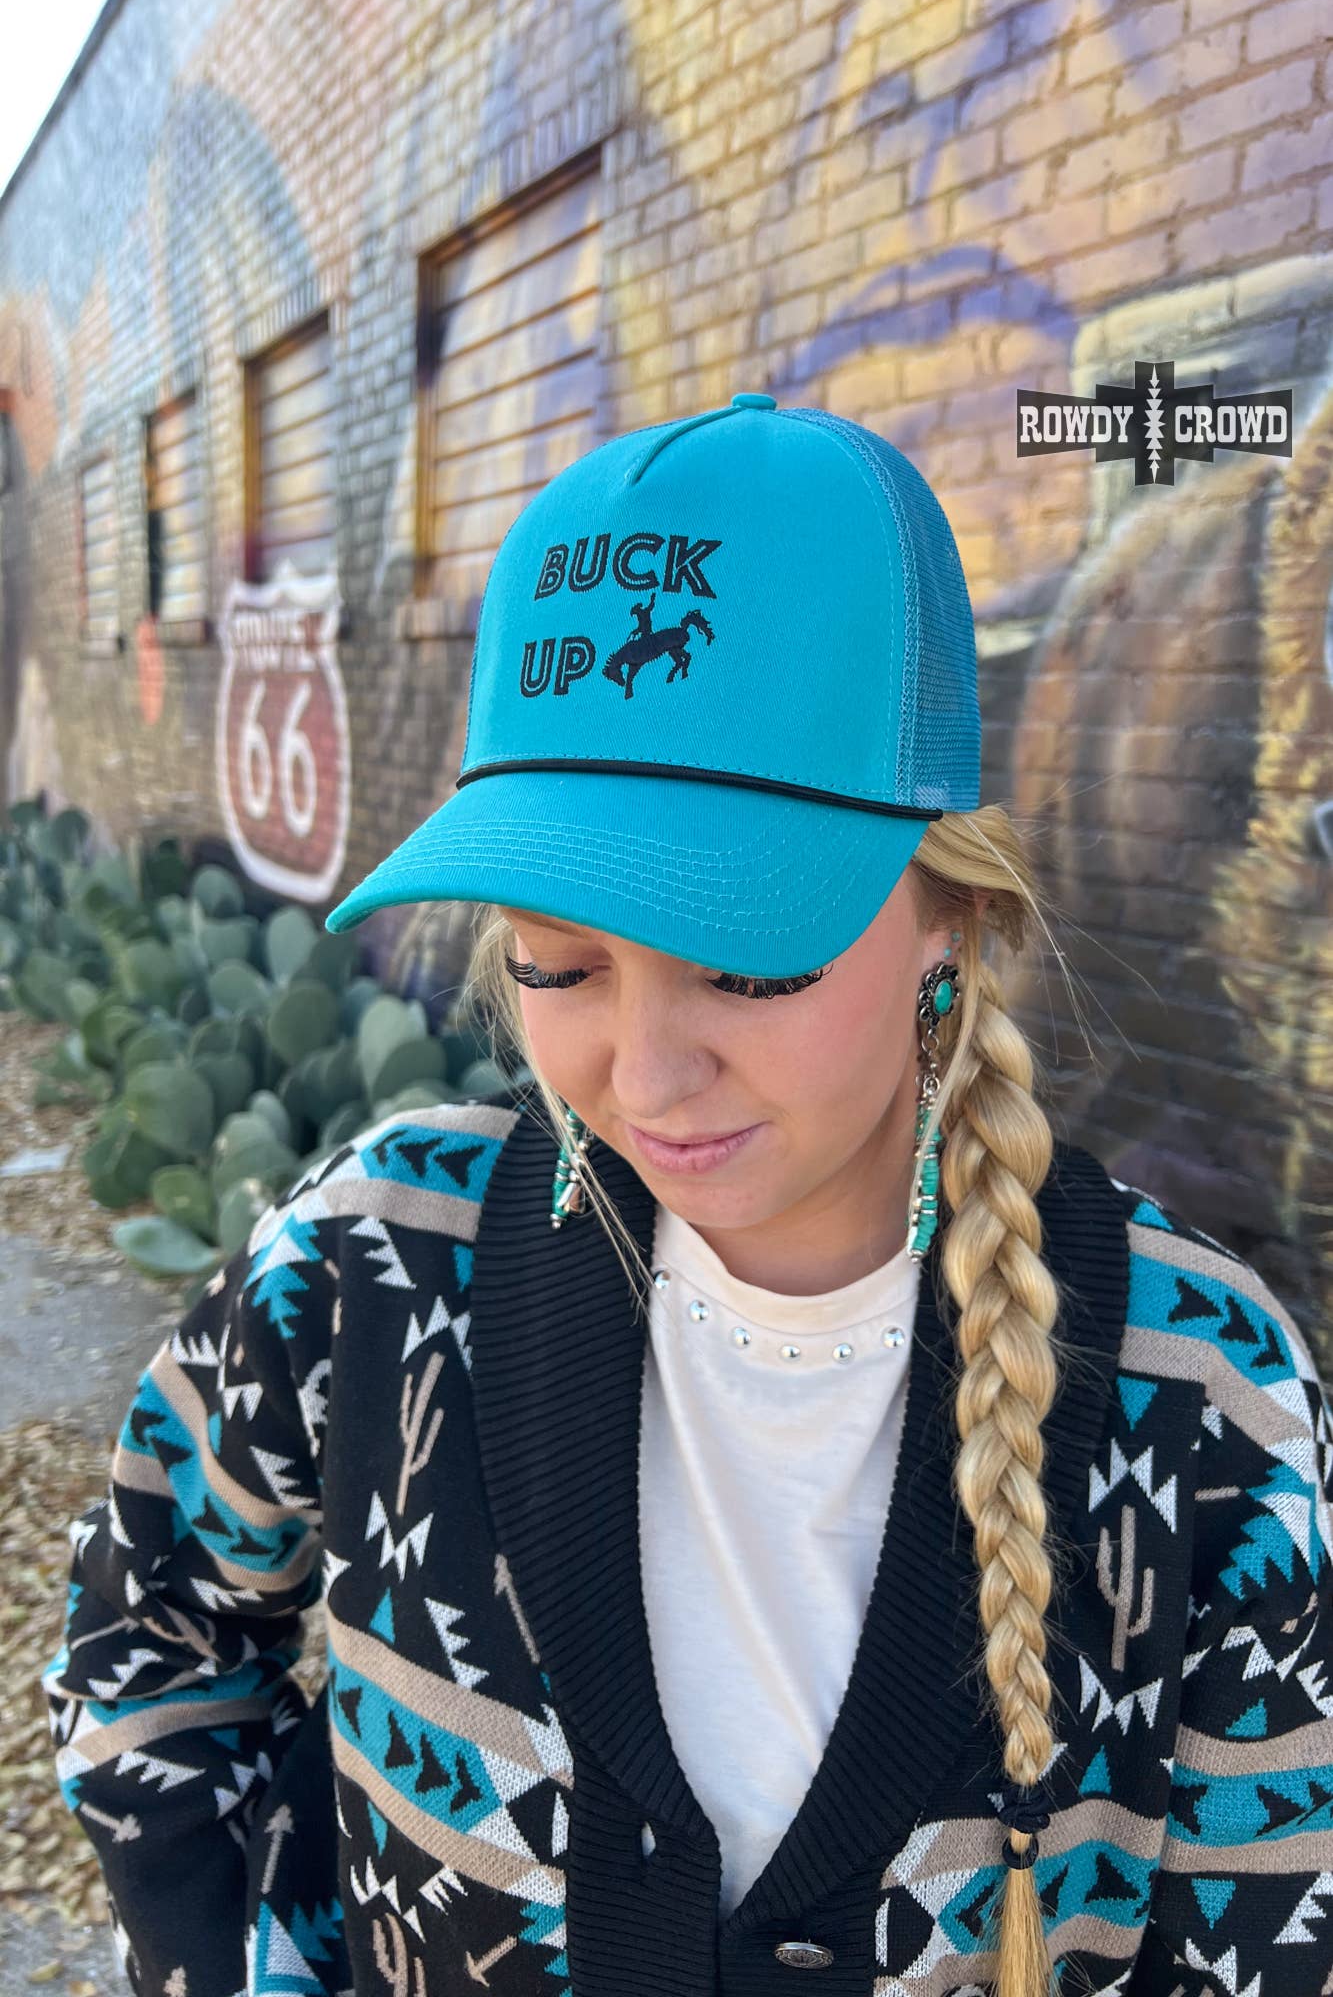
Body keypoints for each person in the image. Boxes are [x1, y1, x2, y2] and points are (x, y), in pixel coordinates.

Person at [42, 393, 1333, 1997]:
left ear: (950, 913)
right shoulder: (371, 1266)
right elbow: (147, 1649)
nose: (643, 1080)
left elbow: (1258, 1926)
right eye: (557, 964)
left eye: (748, 960)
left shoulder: (1203, 1393)